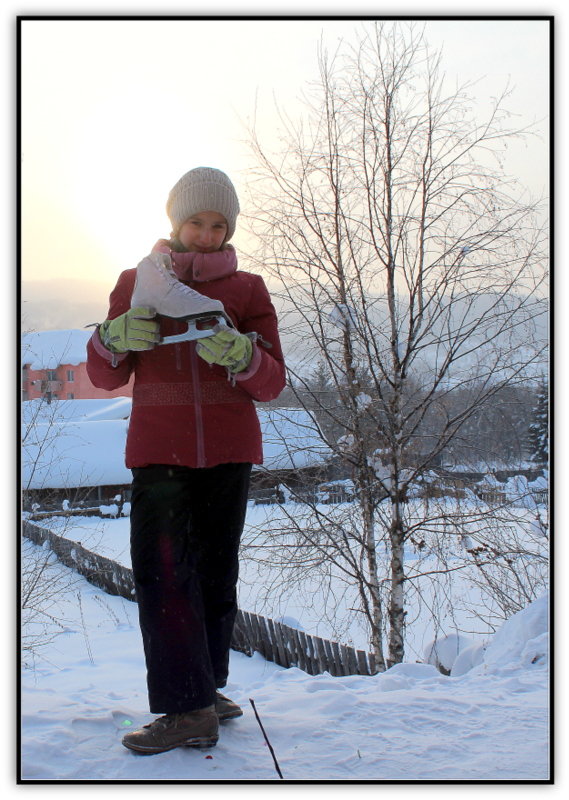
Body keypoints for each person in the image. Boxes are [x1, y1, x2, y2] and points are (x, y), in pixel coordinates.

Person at [86, 167, 286, 754]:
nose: (205, 234)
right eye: (195, 222)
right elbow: (103, 373)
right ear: (176, 223)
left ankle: (201, 696)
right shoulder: (136, 281)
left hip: (228, 453)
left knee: (215, 577)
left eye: (217, 224)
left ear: (230, 228)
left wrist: (245, 355)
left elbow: (272, 382)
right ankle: (186, 704)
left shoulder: (248, 290)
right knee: (164, 577)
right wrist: (114, 336)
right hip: (159, 455)